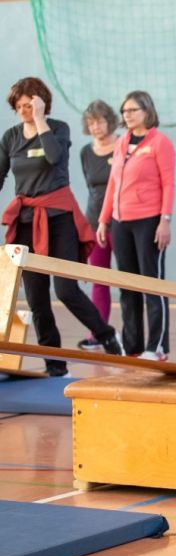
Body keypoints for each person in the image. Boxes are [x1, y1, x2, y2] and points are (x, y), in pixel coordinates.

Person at [0, 77, 124, 376]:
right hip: (27, 222)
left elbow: (54, 158)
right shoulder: (11, 137)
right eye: (19, 107)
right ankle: (55, 365)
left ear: (41, 103)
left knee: (66, 289)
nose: (24, 111)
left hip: (59, 219)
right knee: (37, 298)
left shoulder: (57, 129)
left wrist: (40, 119)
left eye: (29, 105)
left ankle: (106, 334)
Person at [97, 91, 175, 361]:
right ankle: (132, 347)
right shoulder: (121, 142)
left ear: (146, 111)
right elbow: (113, 184)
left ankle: (157, 347)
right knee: (127, 287)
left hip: (149, 221)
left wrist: (165, 221)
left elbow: (169, 184)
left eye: (132, 110)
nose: (126, 115)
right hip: (120, 222)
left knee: (151, 285)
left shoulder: (160, 143)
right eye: (124, 111)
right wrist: (104, 219)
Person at [76, 100, 119, 351]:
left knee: (130, 280)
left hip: (123, 223)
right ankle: (97, 333)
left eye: (100, 121)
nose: (96, 127)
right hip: (94, 223)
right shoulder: (86, 152)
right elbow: (93, 188)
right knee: (99, 280)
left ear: (110, 121)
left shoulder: (123, 145)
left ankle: (138, 338)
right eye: (91, 122)